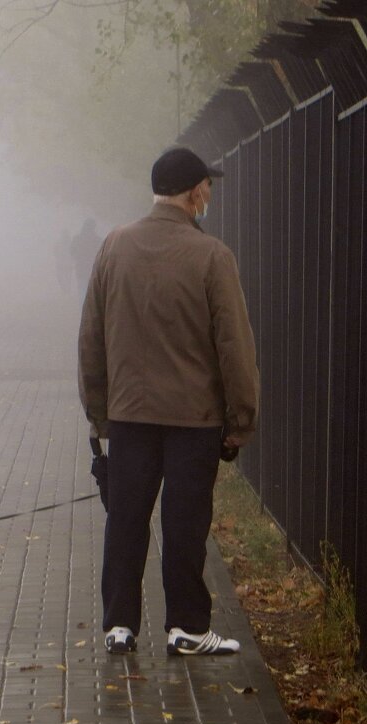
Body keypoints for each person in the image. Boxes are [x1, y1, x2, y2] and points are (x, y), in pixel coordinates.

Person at [77, 146, 259, 656]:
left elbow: (91, 337)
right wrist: (240, 420)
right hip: (194, 419)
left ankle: (119, 625)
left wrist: (99, 413)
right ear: (194, 191)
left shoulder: (114, 246)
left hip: (129, 414)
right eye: (207, 186)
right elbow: (234, 345)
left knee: (126, 518)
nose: (209, 194)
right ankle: (187, 627)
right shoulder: (212, 256)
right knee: (186, 522)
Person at [69, 217, 100, 293]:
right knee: (92, 288)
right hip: (92, 267)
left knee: (83, 287)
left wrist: (78, 257)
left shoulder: (77, 239)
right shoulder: (97, 239)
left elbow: (72, 252)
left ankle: (83, 303)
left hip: (82, 267)